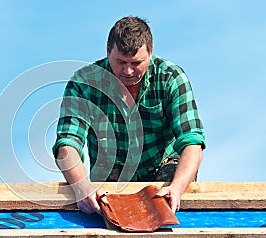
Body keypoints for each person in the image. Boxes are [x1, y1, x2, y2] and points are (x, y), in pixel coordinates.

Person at [52, 16, 205, 214]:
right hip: (111, 182)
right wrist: (82, 188)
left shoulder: (171, 78)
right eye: (120, 62)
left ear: (150, 52)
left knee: (162, 207)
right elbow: (67, 144)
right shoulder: (84, 84)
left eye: (136, 62)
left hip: (163, 171)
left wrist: (176, 188)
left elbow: (193, 142)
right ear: (108, 51)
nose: (128, 71)